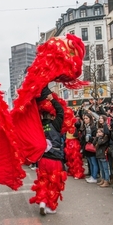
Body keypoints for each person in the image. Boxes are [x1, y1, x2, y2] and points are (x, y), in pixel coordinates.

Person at [29, 86, 67, 215]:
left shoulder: (39, 126)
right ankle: (50, 207)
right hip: (55, 159)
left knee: (43, 181)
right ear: (52, 115)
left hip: (43, 159)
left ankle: (43, 202)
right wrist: (52, 100)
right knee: (54, 184)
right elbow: (61, 112)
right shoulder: (55, 124)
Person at [81, 113, 99, 183]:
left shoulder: (93, 127)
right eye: (84, 118)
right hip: (86, 146)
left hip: (91, 146)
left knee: (93, 162)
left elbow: (95, 137)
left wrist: (89, 138)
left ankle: (94, 176)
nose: (85, 120)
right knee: (90, 162)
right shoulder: (85, 126)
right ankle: (92, 175)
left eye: (87, 118)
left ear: (90, 119)